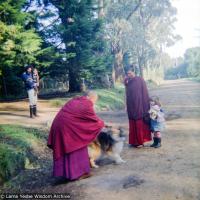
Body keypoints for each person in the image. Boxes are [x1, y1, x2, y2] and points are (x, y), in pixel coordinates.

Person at [47, 91, 104, 181]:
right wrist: (102, 123)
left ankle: (65, 173)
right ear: (90, 97)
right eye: (94, 100)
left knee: (67, 147)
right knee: (77, 144)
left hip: (59, 125)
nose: (93, 103)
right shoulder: (87, 103)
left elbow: (78, 118)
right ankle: (78, 174)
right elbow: (94, 120)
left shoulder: (76, 100)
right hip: (67, 127)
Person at [124, 67, 151, 147]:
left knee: (139, 122)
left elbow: (144, 93)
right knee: (132, 122)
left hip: (139, 105)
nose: (129, 75)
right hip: (131, 105)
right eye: (127, 74)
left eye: (130, 73)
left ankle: (140, 141)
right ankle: (133, 141)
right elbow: (127, 94)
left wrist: (145, 104)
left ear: (134, 72)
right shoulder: (128, 81)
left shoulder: (140, 80)